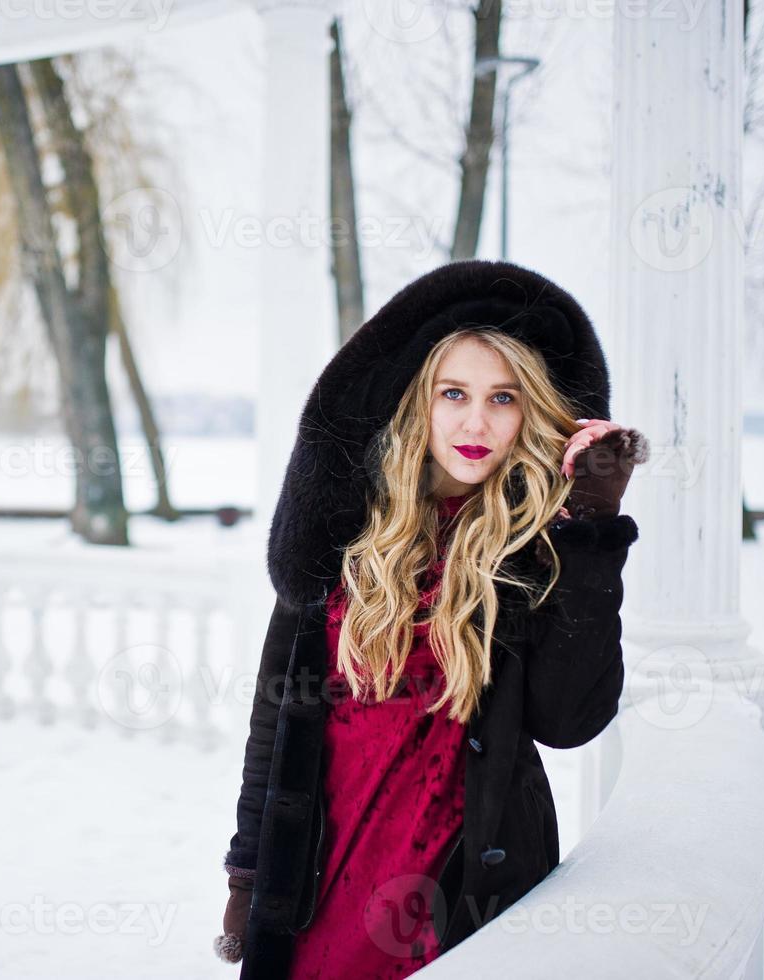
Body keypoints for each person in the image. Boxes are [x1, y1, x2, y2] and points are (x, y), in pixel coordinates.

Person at [212, 259, 650, 979]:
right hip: (320, 886)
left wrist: (592, 532)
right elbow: (274, 723)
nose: (475, 422)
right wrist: (245, 872)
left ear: (531, 410)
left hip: (460, 897)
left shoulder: (535, 549)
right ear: (418, 401)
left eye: (502, 398)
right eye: (454, 393)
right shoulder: (338, 537)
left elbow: (570, 720)